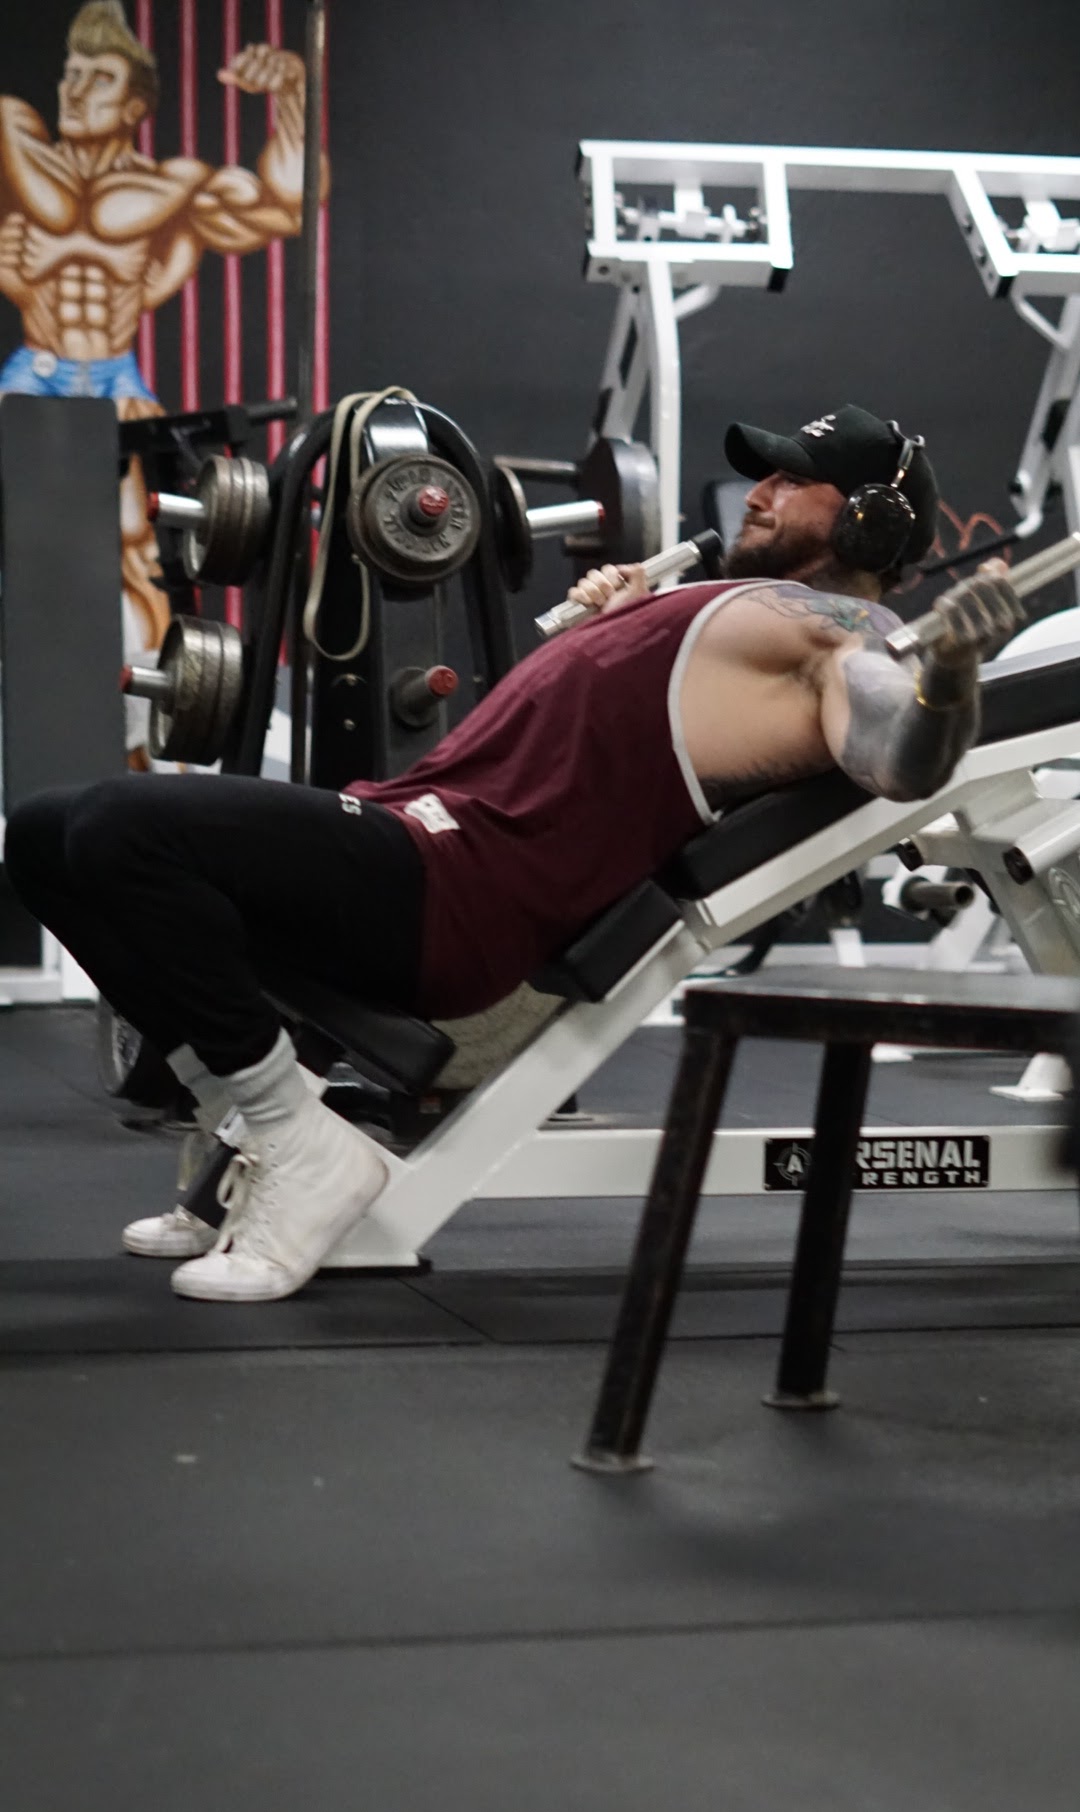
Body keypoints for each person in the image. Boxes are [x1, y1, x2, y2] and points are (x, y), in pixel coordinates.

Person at [3, 403, 1023, 1305]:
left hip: (458, 889)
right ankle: (256, 1124)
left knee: (122, 829)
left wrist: (947, 681)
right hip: (417, 833)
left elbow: (898, 755)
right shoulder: (714, 600)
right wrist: (618, 622)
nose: (759, 492)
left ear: (869, 520)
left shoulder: (847, 631)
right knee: (45, 834)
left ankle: (295, 1139)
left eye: (795, 480)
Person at [0, 0, 323, 734]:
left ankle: (147, 735)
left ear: (135, 104)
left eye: (100, 78)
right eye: (72, 73)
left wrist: (292, 93)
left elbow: (284, 202)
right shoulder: (18, 148)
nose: (75, 91)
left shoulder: (169, 187)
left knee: (144, 549)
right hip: (30, 377)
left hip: (116, 385)